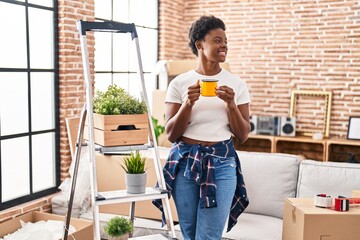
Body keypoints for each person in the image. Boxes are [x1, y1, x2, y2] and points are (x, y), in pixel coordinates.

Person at [154, 15, 250, 240]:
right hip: (185, 163)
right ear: (200, 45)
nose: (224, 45)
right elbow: (171, 134)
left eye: (225, 40)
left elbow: (243, 134)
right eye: (217, 40)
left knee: (207, 236)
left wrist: (231, 104)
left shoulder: (237, 84)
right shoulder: (179, 84)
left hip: (222, 164)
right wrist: (188, 103)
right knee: (189, 234)